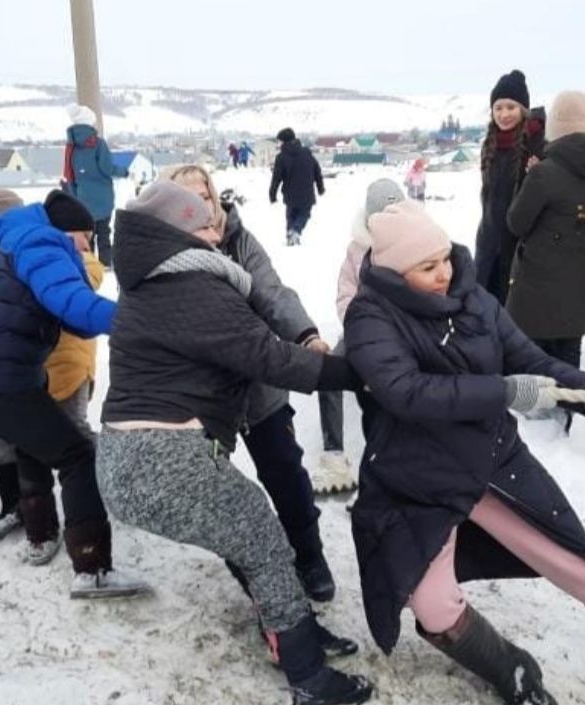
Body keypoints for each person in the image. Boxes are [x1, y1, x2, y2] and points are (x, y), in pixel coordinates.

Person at [345, 200, 585, 705]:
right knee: (433, 606)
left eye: (444, 257)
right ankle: (513, 671)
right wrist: (503, 392)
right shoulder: (370, 317)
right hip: (418, 478)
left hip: (493, 463)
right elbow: (406, 392)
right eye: (427, 267)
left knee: (580, 563)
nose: (444, 272)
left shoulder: (475, 301)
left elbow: (530, 360)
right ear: (396, 272)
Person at [97, 181, 372, 705]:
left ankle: (298, 634)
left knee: (245, 535)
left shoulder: (154, 281)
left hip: (133, 457)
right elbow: (268, 357)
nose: (215, 232)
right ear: (176, 232)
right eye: (203, 225)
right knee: (264, 543)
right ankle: (309, 679)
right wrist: (355, 374)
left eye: (215, 222)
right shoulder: (190, 287)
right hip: (162, 458)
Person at [0, 189, 149, 598]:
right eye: (85, 236)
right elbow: (72, 303)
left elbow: (75, 318)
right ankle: (93, 569)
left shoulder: (23, 242)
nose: (88, 245)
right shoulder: (43, 243)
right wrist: (144, 321)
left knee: (36, 441)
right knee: (77, 455)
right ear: (69, 232)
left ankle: (40, 533)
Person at [167, 164, 336, 600]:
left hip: (260, 381)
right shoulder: (160, 253)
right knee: (213, 486)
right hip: (201, 394)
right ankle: (253, 568)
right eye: (184, 196)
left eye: (203, 194)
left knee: (285, 471)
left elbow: (271, 292)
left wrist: (305, 335)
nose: (198, 204)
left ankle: (309, 553)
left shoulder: (239, 239)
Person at [0, 189, 109, 558]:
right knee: (15, 445)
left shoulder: (73, 260)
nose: (87, 245)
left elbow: (80, 293)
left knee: (74, 436)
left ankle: (102, 491)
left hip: (67, 367)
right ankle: (22, 509)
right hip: (20, 372)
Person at [506, 90, 585, 370]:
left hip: (538, 285)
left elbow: (516, 222)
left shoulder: (544, 173)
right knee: (568, 356)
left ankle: (538, 409)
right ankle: (568, 408)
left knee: (534, 360)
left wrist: (528, 181)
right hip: (583, 282)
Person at [315, 178, 407, 494]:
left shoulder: (417, 246)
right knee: (328, 372)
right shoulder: (357, 250)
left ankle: (394, 462)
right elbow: (345, 295)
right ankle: (334, 454)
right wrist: (363, 330)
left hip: (406, 337)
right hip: (361, 332)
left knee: (389, 389)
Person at [475, 70, 546, 304]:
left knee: (512, 312)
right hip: (489, 241)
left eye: (511, 107)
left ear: (523, 109)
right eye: (498, 108)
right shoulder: (491, 143)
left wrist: (537, 173)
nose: (504, 114)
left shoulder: (537, 143)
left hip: (518, 244)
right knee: (485, 307)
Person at [63, 103, 115, 269]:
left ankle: (89, 263)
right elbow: (107, 168)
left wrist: (73, 196)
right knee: (104, 232)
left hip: (82, 199)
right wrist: (124, 172)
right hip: (103, 197)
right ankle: (106, 262)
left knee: (87, 233)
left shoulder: (71, 147)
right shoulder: (98, 144)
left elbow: (69, 174)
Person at [270, 127, 324, 246]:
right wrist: (320, 187)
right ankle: (296, 231)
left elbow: (276, 178)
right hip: (306, 193)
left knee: (291, 214)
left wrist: (272, 194)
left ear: (284, 141)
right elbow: (317, 170)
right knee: (304, 214)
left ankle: (290, 232)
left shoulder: (281, 157)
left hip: (290, 194)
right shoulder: (306, 152)